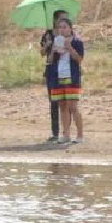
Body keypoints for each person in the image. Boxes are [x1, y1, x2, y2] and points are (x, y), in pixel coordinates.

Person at [46, 16, 84, 145]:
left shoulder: (77, 41)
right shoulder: (56, 41)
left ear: (70, 28)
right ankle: (66, 134)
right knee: (62, 107)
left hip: (71, 76)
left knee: (73, 107)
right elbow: (50, 60)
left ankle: (80, 135)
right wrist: (53, 50)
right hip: (58, 76)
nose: (62, 30)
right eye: (59, 28)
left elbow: (79, 59)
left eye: (64, 27)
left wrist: (69, 47)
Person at [39, 9, 70, 141]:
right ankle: (55, 132)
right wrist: (48, 45)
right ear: (55, 21)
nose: (64, 22)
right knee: (54, 102)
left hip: (65, 70)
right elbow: (41, 52)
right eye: (62, 19)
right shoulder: (48, 34)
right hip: (51, 70)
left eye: (66, 19)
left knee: (67, 102)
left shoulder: (69, 34)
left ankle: (66, 132)